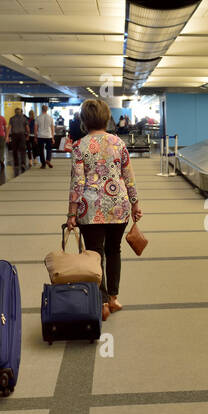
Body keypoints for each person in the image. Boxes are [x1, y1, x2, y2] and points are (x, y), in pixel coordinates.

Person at [66, 98, 141, 322]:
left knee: (94, 254)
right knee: (114, 251)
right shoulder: (118, 143)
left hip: (90, 209)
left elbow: (77, 183)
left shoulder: (79, 146)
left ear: (84, 120)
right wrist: (135, 202)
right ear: (106, 117)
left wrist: (71, 213)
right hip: (118, 205)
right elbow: (128, 176)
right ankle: (114, 299)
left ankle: (100, 301)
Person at [8, 105, 29, 175]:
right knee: (23, 150)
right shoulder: (24, 118)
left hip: (14, 135)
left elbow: (9, 128)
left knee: (15, 150)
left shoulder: (12, 119)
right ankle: (23, 163)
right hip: (22, 135)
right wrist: (28, 135)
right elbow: (27, 128)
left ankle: (16, 164)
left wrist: (7, 136)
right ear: (20, 112)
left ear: (15, 112)